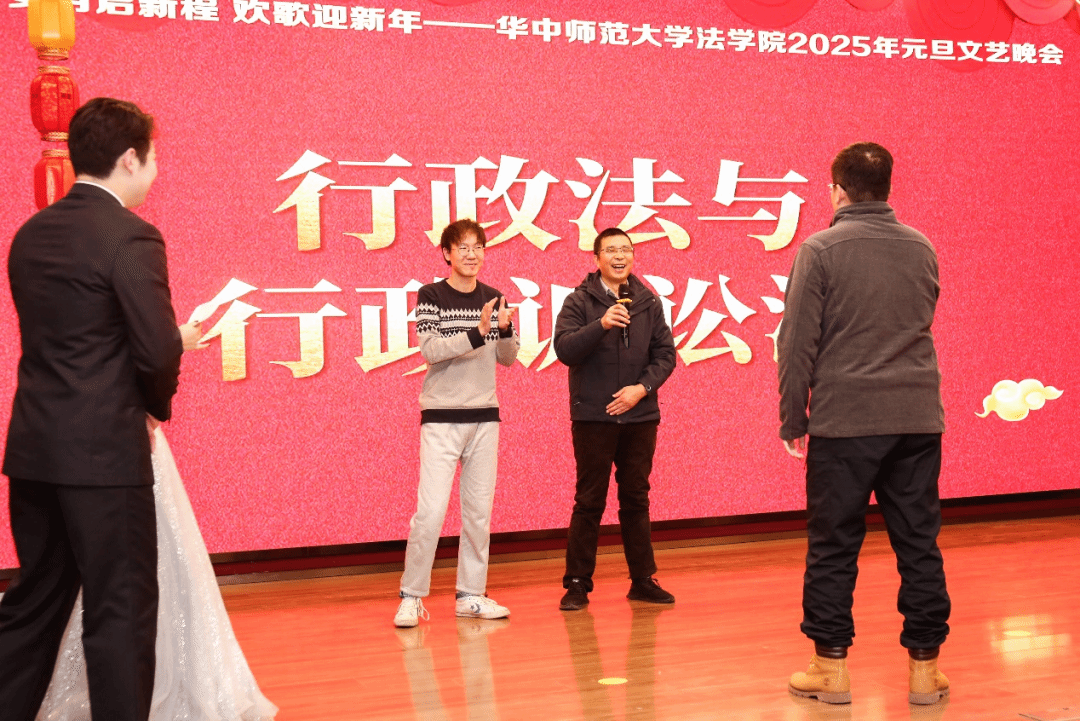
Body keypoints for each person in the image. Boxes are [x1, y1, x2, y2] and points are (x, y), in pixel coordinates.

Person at [0, 97, 189, 721]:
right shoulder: (130, 234)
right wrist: (154, 407)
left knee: (34, 604)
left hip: (33, 451)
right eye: (153, 158)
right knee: (121, 609)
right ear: (129, 158)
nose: (155, 171)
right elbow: (157, 347)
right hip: (103, 456)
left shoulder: (31, 234)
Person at [777, 142, 950, 705]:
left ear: (837, 192)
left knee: (834, 546)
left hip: (845, 423)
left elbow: (796, 343)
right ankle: (925, 671)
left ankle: (831, 670)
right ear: (887, 187)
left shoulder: (820, 249)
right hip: (917, 419)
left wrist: (792, 418)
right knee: (919, 543)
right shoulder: (921, 246)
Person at [394, 218, 519, 628]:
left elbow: (507, 359)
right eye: (462, 247)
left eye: (478, 246)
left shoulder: (495, 297)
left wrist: (504, 329)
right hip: (441, 419)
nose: (471, 254)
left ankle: (471, 594)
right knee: (430, 513)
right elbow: (431, 350)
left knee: (478, 514)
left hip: (485, 418)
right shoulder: (431, 295)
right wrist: (478, 331)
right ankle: (412, 596)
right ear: (447, 253)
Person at [553, 227, 677, 611]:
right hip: (594, 416)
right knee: (589, 500)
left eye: (626, 249)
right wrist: (602, 324)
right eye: (611, 250)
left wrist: (642, 389)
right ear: (597, 259)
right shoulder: (579, 301)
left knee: (636, 498)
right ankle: (577, 584)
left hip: (640, 416)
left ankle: (642, 580)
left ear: (633, 256)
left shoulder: (647, 302)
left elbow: (665, 355)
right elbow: (565, 349)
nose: (620, 256)